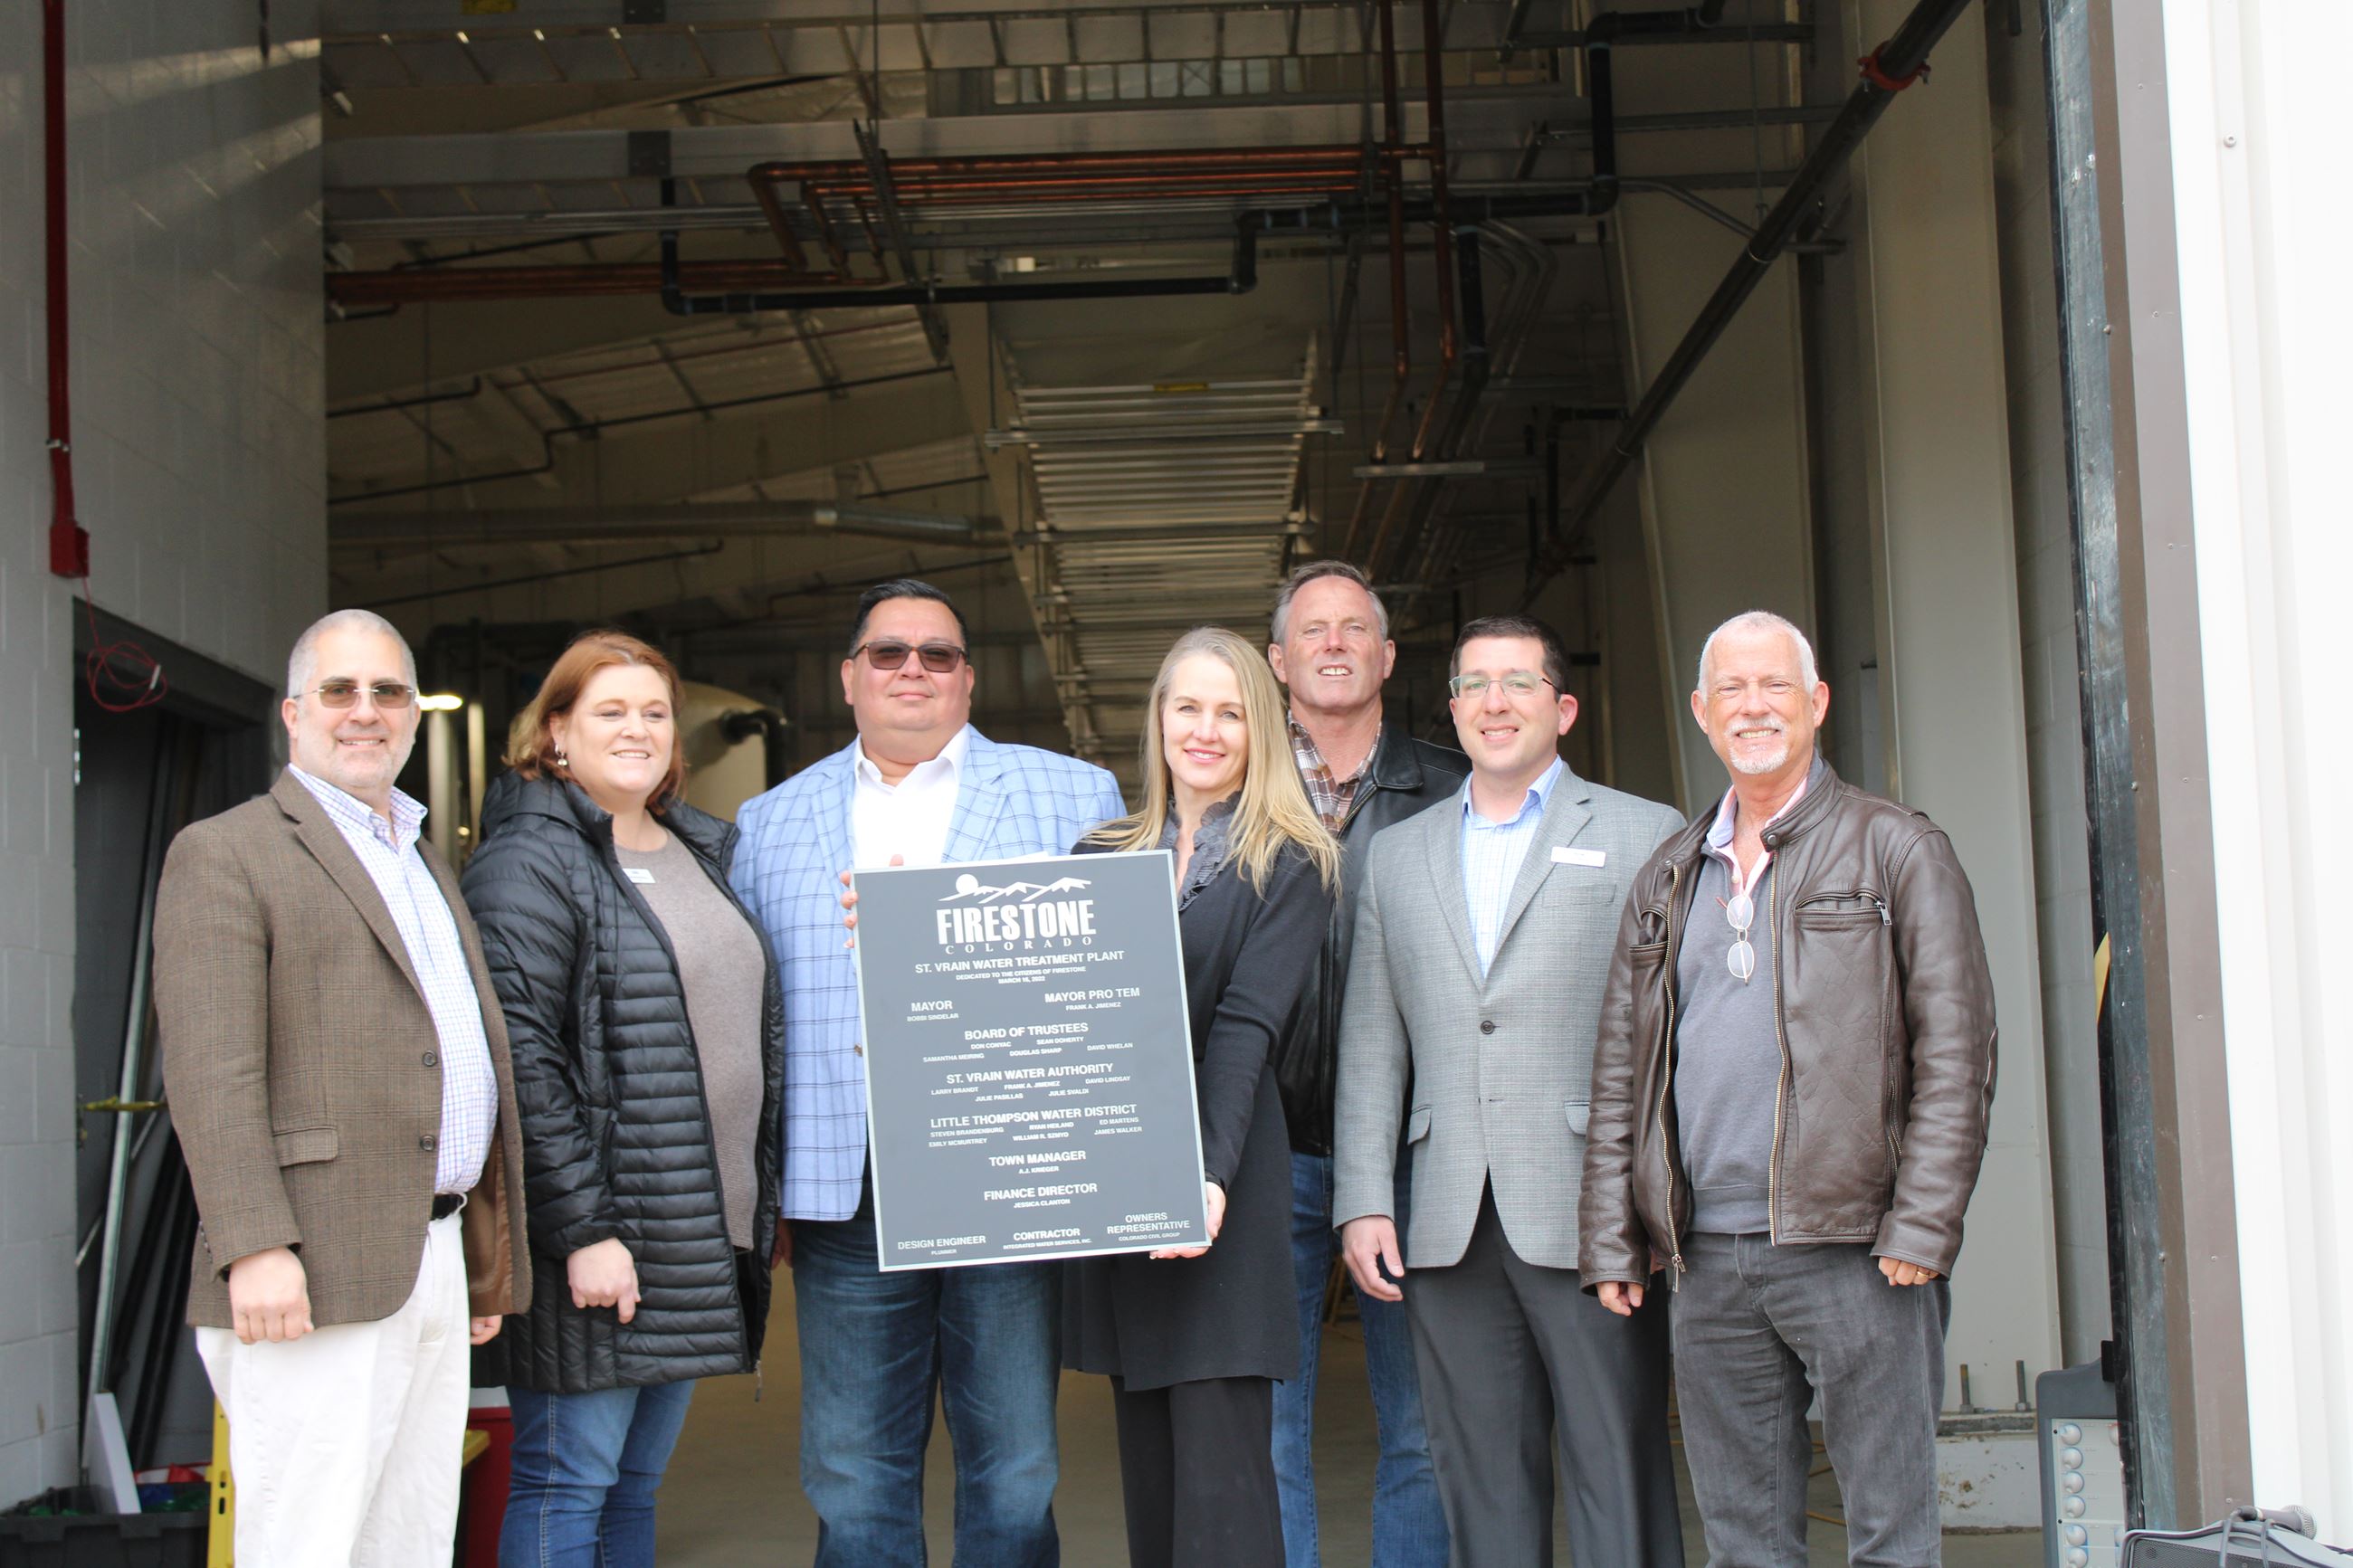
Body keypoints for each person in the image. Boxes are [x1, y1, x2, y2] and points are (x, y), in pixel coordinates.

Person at [1580, 609, 1998, 1568]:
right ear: (1699, 710)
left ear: (1814, 702)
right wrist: (1615, 1233)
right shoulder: (1667, 874)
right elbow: (1621, 1071)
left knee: (1889, 1534)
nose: (1752, 705)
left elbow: (1958, 1048)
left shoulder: (1896, 848)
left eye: (1773, 685)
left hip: (1856, 1249)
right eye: (1730, 687)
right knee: (1742, 1544)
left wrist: (1921, 1226)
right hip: (1708, 1259)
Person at [732, 578, 1124, 1566]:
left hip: (1007, 1177)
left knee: (1018, 1463)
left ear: (968, 679)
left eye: (937, 654)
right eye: (888, 652)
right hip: (844, 1183)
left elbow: (1114, 981)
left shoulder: (1072, 793)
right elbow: (756, 1023)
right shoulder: (767, 822)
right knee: (853, 1465)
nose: (913, 668)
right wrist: (762, 1181)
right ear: (850, 676)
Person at [153, 608, 531, 1566]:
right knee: (308, 1542)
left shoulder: (419, 858)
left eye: (388, 691)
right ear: (293, 712)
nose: (365, 711)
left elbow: (451, 1053)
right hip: (310, 1259)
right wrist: (254, 1245)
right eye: (340, 689)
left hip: (433, 1254)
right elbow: (210, 1067)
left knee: (407, 1538)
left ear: (412, 716)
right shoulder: (227, 850)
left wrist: (477, 1252)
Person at [1333, 613, 1686, 1568]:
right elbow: (1371, 1037)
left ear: (1561, 707)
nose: (1494, 702)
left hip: (1591, 1211)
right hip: (1445, 1212)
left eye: (1518, 682)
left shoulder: (1640, 832)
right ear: (1449, 710)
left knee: (1616, 1464)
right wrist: (1364, 1196)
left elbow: (1667, 1041)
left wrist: (1653, 1205)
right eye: (1474, 684)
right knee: (1477, 1475)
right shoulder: (1395, 854)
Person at [460, 631, 785, 1567]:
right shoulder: (531, 858)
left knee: (630, 1488)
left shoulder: (693, 848)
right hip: (600, 1242)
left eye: (653, 712)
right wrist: (583, 1230)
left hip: (690, 1231)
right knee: (567, 1484)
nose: (638, 729)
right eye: (610, 710)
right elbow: (521, 1055)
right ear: (554, 731)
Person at [1064, 625, 1340, 1568]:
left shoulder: (1289, 861)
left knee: (1223, 1493)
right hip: (1122, 1197)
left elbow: (1244, 1031)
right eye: (1188, 705)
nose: (1206, 728)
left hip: (1223, 1190)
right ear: (1158, 719)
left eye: (1230, 710)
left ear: (1259, 728)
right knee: (1151, 1483)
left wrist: (1206, 1175)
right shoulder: (1097, 855)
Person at [1261, 561, 1459, 1568]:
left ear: (1385, 656)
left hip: (1415, 1149)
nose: (1332, 642)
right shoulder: (1228, 788)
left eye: (1354, 628)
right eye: (1312, 629)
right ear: (1277, 659)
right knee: (1266, 1425)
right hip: (1264, 1145)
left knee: (1422, 1425)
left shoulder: (1453, 787)